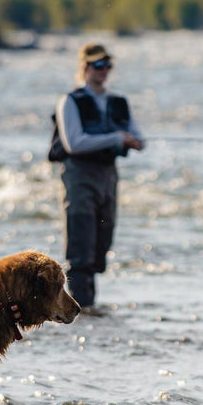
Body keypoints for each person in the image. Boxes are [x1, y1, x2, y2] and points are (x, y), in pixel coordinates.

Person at [53, 42, 144, 310]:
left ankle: (91, 309)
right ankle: (82, 311)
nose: (103, 70)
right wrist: (117, 138)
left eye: (107, 65)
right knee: (80, 251)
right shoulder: (69, 101)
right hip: (79, 179)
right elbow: (74, 143)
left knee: (100, 247)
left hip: (108, 178)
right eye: (97, 65)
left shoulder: (118, 102)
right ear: (84, 68)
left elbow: (140, 138)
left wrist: (132, 141)